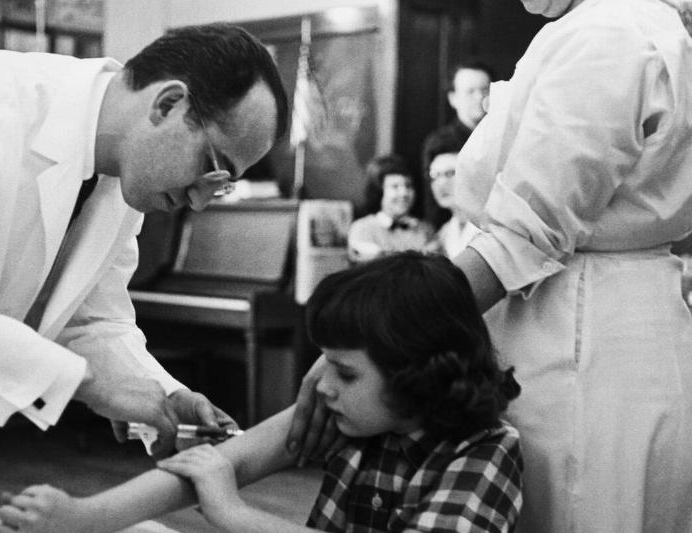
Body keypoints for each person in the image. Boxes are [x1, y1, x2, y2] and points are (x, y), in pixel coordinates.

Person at [289, 1, 692, 532]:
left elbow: (521, 233)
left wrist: (380, 336)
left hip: (580, 338)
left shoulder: (609, 33)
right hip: (592, 315)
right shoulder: (609, 26)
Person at [0, 23, 289, 505]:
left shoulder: (126, 171)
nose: (202, 201)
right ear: (168, 104)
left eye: (223, 185)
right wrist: (89, 386)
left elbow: (93, 321)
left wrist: (162, 397)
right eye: (213, 167)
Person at [0, 251, 523, 533]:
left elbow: (227, 488)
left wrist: (233, 513)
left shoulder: (486, 451)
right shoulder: (358, 413)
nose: (322, 385)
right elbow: (229, 461)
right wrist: (88, 518)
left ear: (417, 373)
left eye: (345, 372)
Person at [420, 59, 494, 230]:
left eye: (485, 90)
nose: (479, 97)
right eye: (470, 91)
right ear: (453, 98)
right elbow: (435, 203)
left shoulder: (503, 136)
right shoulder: (440, 143)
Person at [347, 154, 438, 262]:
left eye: (408, 186)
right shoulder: (362, 228)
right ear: (379, 192)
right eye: (395, 186)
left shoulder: (425, 229)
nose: (404, 193)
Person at [424, 131, 481, 259]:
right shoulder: (444, 233)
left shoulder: (488, 226)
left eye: (450, 173)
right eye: (435, 176)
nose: (441, 183)